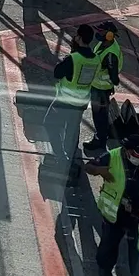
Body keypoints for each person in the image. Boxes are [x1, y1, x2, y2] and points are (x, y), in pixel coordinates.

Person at [86, 132, 139, 276]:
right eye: (138, 155)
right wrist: (99, 170)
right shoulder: (111, 157)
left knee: (137, 248)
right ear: (128, 151)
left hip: (137, 214)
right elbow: (89, 167)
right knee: (109, 245)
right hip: (114, 214)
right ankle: (105, 269)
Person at [48, 23, 99, 182]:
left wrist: (68, 57)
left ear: (79, 38)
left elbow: (57, 73)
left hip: (64, 102)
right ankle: (69, 157)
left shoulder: (73, 59)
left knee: (49, 123)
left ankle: (60, 156)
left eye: (76, 35)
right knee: (72, 130)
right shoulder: (95, 59)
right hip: (81, 103)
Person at [84, 20, 123, 155]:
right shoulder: (105, 44)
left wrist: (108, 84)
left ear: (109, 35)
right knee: (100, 115)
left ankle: (99, 140)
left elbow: (114, 79)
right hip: (98, 88)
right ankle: (101, 136)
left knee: (99, 117)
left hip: (100, 90)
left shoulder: (111, 54)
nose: (98, 34)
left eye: (101, 32)